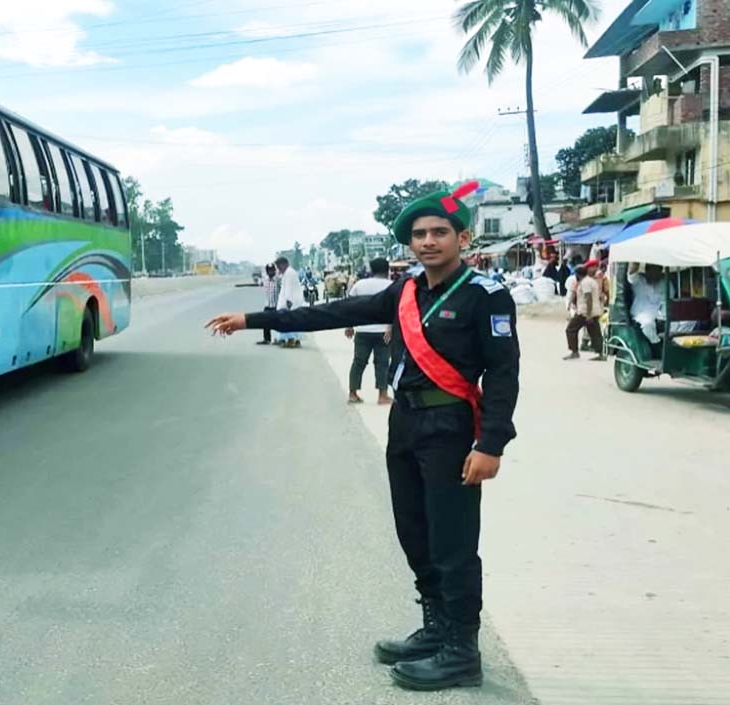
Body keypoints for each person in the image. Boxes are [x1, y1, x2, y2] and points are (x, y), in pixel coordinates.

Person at [207, 182, 519, 691]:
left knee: (453, 540)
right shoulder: (405, 291)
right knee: (413, 531)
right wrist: (252, 320)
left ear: (462, 237)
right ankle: (436, 628)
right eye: (419, 234)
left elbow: (504, 373)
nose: (428, 242)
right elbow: (332, 314)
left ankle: (462, 648)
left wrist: (491, 445)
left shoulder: (486, 295)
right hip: (406, 425)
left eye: (440, 232)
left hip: (451, 430)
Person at [346, 258, 394, 405]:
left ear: (371, 270)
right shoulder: (391, 286)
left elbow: (350, 306)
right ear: (387, 270)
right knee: (382, 364)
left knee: (358, 362)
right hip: (383, 332)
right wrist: (390, 328)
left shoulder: (359, 285)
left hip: (363, 330)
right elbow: (396, 309)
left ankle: (353, 394)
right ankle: (382, 395)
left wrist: (349, 325)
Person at [563, 267, 605, 361]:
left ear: (578, 274)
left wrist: (588, 314)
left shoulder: (585, 283)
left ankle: (574, 352)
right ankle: (601, 353)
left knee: (570, 330)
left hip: (585, 312)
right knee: (595, 333)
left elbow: (588, 298)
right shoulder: (590, 281)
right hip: (594, 311)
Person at [628, 263, 666, 345]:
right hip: (641, 314)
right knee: (648, 323)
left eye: (658, 271)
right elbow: (631, 274)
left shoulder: (665, 283)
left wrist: (662, 316)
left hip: (660, 315)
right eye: (653, 271)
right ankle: (657, 345)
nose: (655, 274)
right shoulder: (638, 280)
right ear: (647, 270)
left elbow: (667, 302)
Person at [274, 256, 305, 348]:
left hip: (289, 302)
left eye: (279, 266)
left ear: (284, 264)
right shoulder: (290, 272)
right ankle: (296, 340)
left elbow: (288, 289)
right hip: (294, 301)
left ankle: (290, 339)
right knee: (295, 321)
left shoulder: (288, 274)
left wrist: (288, 302)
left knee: (287, 321)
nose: (278, 269)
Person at [258, 264, 280, 345]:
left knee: (279, 323)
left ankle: (279, 339)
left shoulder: (278, 280)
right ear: (267, 271)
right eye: (269, 270)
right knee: (265, 323)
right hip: (267, 306)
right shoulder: (265, 280)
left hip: (276, 306)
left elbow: (279, 274)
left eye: (272, 270)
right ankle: (267, 339)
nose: (271, 272)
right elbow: (260, 280)